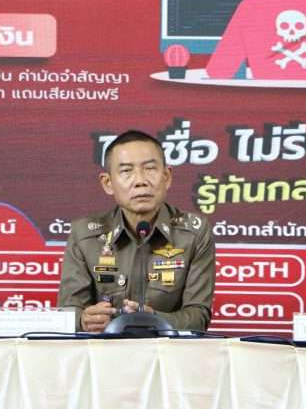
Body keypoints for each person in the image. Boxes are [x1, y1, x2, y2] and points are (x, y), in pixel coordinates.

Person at [58, 130, 215, 332]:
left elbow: (198, 316)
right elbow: (67, 312)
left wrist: (154, 320)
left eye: (150, 168)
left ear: (166, 177)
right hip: (104, 348)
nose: (140, 181)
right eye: (126, 171)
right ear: (108, 183)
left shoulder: (194, 233)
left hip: (167, 347)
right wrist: (83, 320)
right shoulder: (84, 234)